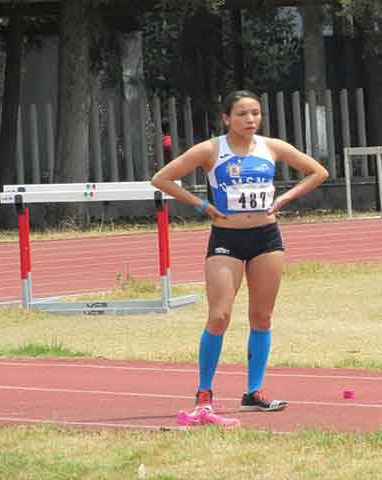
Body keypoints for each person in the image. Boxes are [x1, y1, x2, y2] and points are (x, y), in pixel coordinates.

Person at [151, 90, 328, 427]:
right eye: (243, 114)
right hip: (226, 239)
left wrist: (284, 198)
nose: (250, 120)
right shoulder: (211, 150)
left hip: (266, 239)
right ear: (226, 118)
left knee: (262, 317)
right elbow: (161, 178)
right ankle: (204, 393)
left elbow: (318, 172)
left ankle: (254, 391)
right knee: (219, 316)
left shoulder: (271, 147)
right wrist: (201, 205)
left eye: (255, 113)